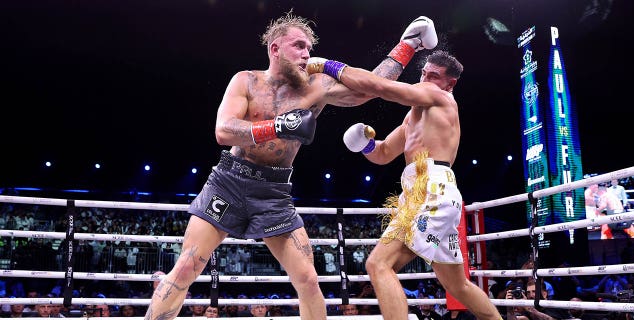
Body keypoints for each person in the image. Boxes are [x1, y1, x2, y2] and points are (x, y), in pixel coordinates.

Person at [143, 10, 438, 320]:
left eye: (309, 47)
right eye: (298, 46)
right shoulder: (247, 80)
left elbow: (369, 88)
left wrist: (407, 46)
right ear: (275, 48)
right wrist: (278, 127)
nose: (306, 54)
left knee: (309, 281)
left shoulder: (316, 86)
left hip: (274, 190)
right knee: (187, 266)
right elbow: (223, 130)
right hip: (229, 181)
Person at [306, 50, 501, 320]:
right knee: (457, 285)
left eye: (433, 76)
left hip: (432, 189)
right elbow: (384, 153)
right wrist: (365, 144)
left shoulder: (440, 97)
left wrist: (327, 65)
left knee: (378, 264)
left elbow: (380, 86)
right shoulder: (412, 117)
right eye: (423, 73)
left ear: (449, 84)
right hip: (420, 191)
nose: (424, 79)